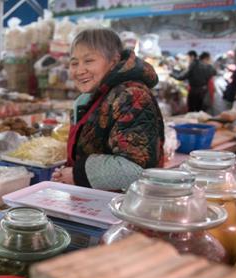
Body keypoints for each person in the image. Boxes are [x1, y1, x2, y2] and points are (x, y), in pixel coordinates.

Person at [53, 28, 164, 191]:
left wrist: (77, 174)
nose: (79, 70)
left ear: (113, 61)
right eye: (74, 63)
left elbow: (137, 169)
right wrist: (69, 172)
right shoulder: (96, 95)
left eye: (89, 61)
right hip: (95, 199)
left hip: (124, 206)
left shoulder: (132, 96)